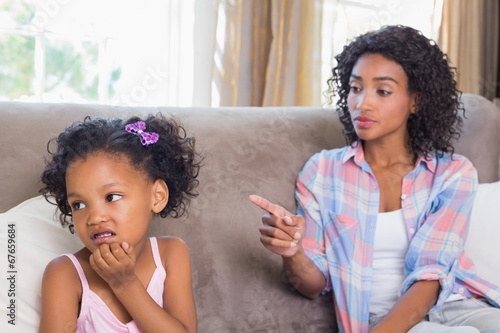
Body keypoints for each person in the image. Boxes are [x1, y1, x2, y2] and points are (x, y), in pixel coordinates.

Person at [250, 25, 500, 333]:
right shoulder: (322, 172)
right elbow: (313, 285)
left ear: (416, 101)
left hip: (457, 305)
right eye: (356, 88)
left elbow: (431, 275)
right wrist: (293, 252)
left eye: (382, 91)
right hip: (380, 320)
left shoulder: (452, 173)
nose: (362, 103)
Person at [38, 114, 201, 333]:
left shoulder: (171, 254)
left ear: (157, 196)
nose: (94, 217)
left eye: (112, 197)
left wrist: (124, 283)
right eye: (78, 204)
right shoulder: (65, 274)